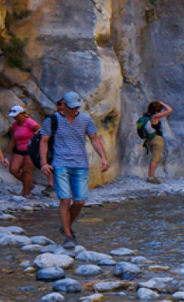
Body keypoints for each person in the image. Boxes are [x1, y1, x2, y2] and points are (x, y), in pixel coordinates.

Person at [40, 91, 110, 249]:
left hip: (80, 164)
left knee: (79, 201)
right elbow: (44, 142)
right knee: (65, 199)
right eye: (71, 107)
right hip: (60, 163)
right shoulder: (51, 120)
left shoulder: (86, 120)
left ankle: (65, 225)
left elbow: (95, 139)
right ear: (63, 104)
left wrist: (103, 158)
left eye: (76, 107)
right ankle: (68, 235)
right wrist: (44, 163)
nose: (74, 110)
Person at [5, 105, 40, 196]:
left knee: (26, 171)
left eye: (16, 115)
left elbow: (40, 133)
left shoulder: (30, 122)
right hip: (19, 149)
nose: (14, 117)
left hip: (31, 149)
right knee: (13, 169)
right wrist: (7, 151)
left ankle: (26, 193)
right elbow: (13, 139)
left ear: (22, 114)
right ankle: (29, 184)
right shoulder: (15, 125)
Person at [143, 101, 173, 184]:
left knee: (155, 157)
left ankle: (151, 175)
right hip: (157, 139)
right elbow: (170, 110)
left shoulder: (147, 115)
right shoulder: (155, 116)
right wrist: (162, 103)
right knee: (155, 158)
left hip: (149, 139)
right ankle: (151, 177)